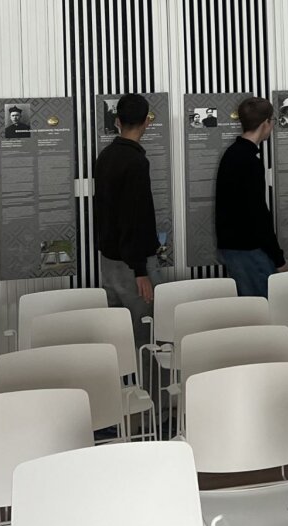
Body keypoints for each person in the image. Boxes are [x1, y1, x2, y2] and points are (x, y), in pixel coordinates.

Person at [93, 94, 161, 347]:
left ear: (118, 121)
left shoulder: (105, 156)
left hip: (109, 259)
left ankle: (123, 373)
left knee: (118, 332)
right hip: (132, 264)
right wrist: (141, 271)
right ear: (147, 122)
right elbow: (135, 217)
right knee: (144, 333)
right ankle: (145, 374)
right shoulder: (136, 161)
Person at [214, 97, 286, 297]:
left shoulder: (232, 153)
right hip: (249, 250)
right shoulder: (249, 161)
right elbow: (258, 214)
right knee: (263, 306)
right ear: (265, 123)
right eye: (272, 120)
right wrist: (278, 259)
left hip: (233, 247)